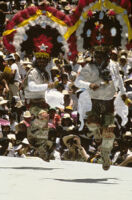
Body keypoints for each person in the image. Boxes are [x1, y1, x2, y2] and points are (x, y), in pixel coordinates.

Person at [75, 47, 129, 170]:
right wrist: (89, 84)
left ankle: (105, 154)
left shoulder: (114, 66)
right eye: (96, 56)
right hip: (94, 102)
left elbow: (119, 80)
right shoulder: (89, 67)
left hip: (109, 103)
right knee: (92, 123)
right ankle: (96, 135)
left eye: (100, 56)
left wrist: (124, 95)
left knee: (109, 131)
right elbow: (77, 82)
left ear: (107, 56)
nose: (97, 59)